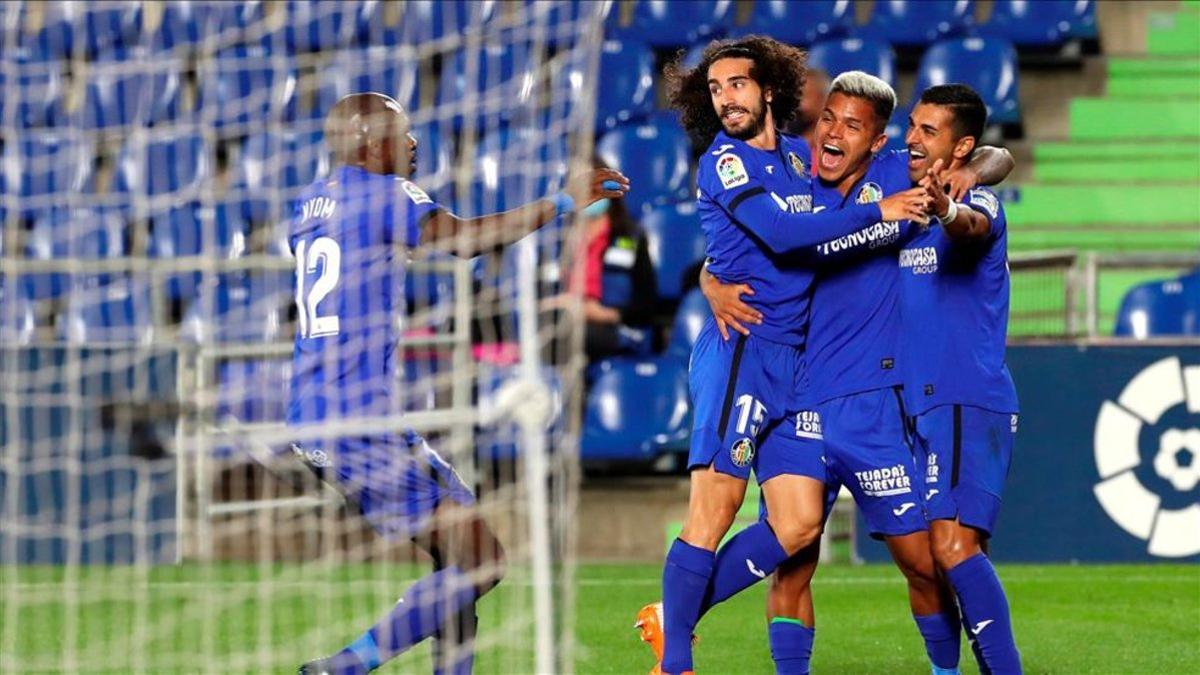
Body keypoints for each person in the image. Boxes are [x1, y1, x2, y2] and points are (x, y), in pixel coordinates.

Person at [288, 92, 628, 674]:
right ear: (370, 146)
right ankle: (347, 665)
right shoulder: (385, 194)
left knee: (460, 559)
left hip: (317, 415)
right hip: (359, 418)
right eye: (403, 133)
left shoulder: (309, 202)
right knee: (483, 562)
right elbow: (465, 239)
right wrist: (562, 201)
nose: (415, 144)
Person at [700, 72, 1014, 675]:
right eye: (828, 120)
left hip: (873, 399)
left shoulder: (898, 173)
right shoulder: (788, 175)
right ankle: (696, 622)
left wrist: (971, 173)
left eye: (852, 126)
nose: (833, 134)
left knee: (924, 561)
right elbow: (728, 246)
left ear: (877, 143)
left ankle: (945, 669)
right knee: (794, 556)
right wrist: (708, 281)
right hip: (794, 397)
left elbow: (992, 155)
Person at [637, 37, 932, 675]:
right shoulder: (726, 163)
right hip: (742, 351)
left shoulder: (801, 160)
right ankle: (676, 664)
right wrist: (712, 281)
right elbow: (781, 234)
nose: (726, 100)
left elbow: (835, 222)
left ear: (769, 89)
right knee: (712, 512)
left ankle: (673, 613)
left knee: (798, 528)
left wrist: (957, 173)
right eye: (714, 90)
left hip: (795, 367)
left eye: (737, 85)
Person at [903, 84, 1023, 675]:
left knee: (952, 548)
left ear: (961, 145)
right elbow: (996, 155)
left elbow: (970, 226)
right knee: (936, 558)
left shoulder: (979, 205)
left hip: (963, 395)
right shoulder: (902, 197)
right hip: (922, 403)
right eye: (912, 126)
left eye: (928, 131)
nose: (912, 138)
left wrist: (951, 204)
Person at [543, 166, 659, 361]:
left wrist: (608, 314)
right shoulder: (555, 241)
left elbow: (646, 303)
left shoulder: (630, 237)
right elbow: (535, 293)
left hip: (614, 329)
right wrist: (562, 305)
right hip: (561, 321)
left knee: (569, 334)